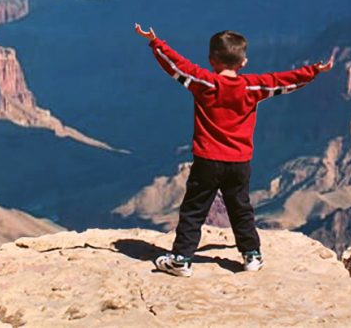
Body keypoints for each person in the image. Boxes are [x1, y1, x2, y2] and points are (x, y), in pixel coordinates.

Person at [134, 23, 333, 277]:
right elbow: (283, 81)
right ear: (244, 62)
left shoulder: (203, 82)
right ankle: (251, 255)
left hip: (207, 160)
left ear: (211, 60)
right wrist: (313, 71)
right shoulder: (252, 87)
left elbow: (176, 66)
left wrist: (155, 42)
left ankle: (181, 259)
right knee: (240, 208)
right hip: (239, 163)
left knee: (194, 210)